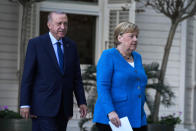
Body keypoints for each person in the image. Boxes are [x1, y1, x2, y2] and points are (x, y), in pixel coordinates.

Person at [20, 11, 87, 131]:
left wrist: (82, 101)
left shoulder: (71, 46)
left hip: (64, 108)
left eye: (65, 24)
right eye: (59, 23)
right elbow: (27, 77)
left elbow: (76, 78)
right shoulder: (36, 44)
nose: (63, 27)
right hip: (42, 108)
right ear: (49, 25)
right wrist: (25, 104)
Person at [93, 22, 148, 131]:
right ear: (120, 38)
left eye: (137, 36)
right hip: (115, 118)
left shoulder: (137, 57)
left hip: (137, 115)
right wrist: (110, 111)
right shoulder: (108, 55)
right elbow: (103, 86)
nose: (135, 39)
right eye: (131, 36)